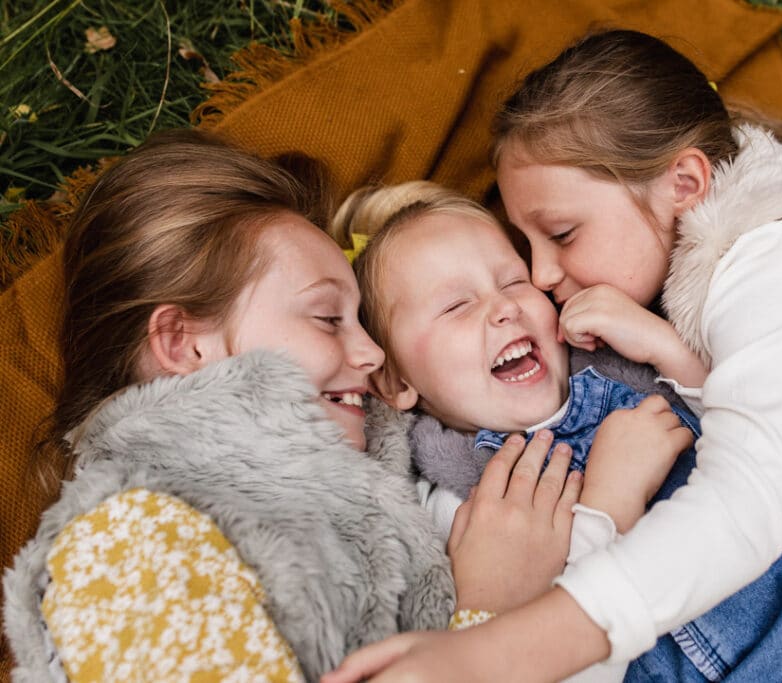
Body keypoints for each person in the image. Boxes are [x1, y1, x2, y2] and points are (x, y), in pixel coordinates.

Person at [324, 29, 782, 683]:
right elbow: (772, 454)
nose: (536, 280)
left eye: (559, 234)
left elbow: (750, 498)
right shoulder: (449, 488)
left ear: (684, 185)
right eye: (525, 248)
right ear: (393, 378)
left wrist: (491, 651)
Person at [332, 180, 782, 682]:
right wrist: (609, 507)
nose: (503, 309)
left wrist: (669, 350)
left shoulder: (631, 365)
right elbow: (546, 661)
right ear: (394, 380)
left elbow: (773, 458)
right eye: (456, 305)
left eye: (513, 281)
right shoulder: (454, 508)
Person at [2, 130, 472, 682]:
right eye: (327, 318)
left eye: (362, 320)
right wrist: (487, 611)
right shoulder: (129, 547)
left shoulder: (375, 489)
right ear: (185, 344)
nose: (371, 352)